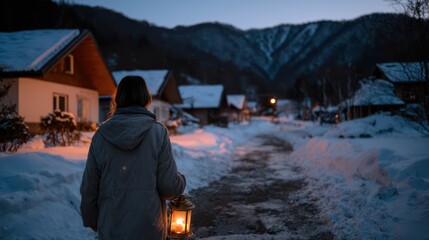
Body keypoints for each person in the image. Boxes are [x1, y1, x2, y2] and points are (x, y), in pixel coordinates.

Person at [80, 75, 186, 239]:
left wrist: (94, 221)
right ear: (146, 98)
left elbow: (89, 187)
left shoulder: (101, 135)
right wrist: (181, 180)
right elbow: (169, 188)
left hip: (111, 230)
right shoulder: (158, 132)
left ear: (118, 98)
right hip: (149, 229)